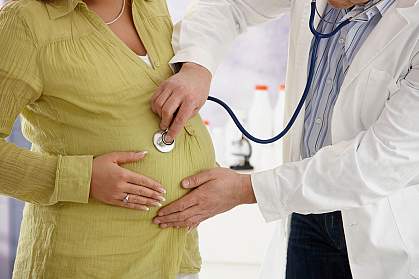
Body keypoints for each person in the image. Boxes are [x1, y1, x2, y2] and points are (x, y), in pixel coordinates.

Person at [152, 0, 419, 279]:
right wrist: (197, 66)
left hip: (385, 228)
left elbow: (379, 162)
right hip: (305, 213)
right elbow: (227, 3)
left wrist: (246, 189)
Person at [0, 0, 215, 278]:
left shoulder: (150, 5)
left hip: (175, 257)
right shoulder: (24, 23)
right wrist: (82, 178)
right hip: (87, 263)